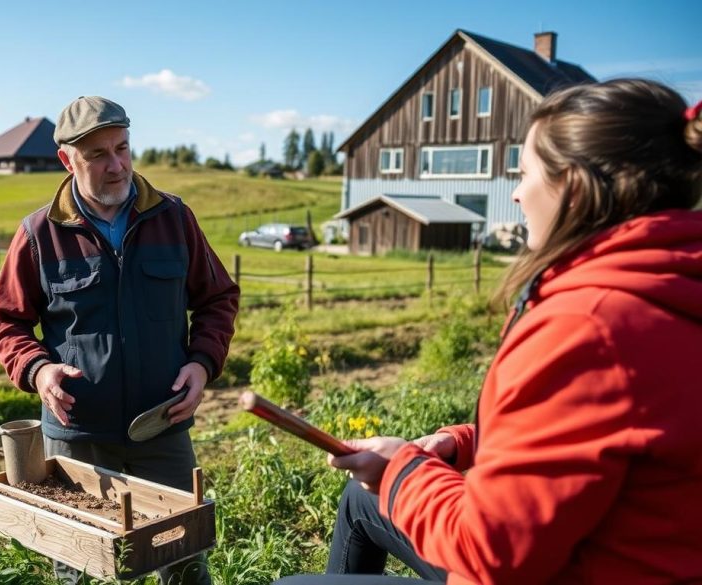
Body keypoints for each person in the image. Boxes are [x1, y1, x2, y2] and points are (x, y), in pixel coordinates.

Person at [277, 78, 702, 584]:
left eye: (524, 174)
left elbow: (490, 553)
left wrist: (401, 472)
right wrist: (461, 444)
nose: (517, 195)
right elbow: (596, 435)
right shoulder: (667, 288)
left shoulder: (587, 326)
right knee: (359, 499)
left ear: (573, 186)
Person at [0, 96, 239, 585]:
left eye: (122, 148)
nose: (116, 164)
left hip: (161, 428)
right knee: (80, 568)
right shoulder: (40, 234)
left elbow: (218, 298)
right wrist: (39, 370)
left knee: (183, 559)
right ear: (67, 160)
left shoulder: (173, 218)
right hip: (78, 437)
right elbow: (6, 323)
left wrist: (202, 363)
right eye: (98, 154)